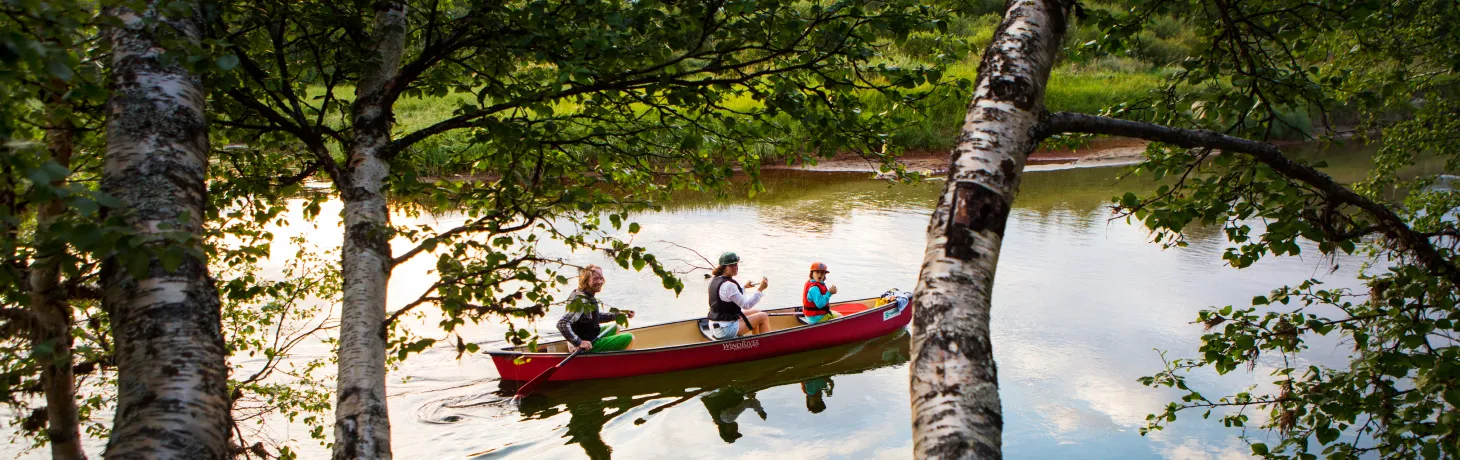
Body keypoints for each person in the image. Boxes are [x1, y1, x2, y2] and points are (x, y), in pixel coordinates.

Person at [556, 265, 635, 352]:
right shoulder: (582, 300)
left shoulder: (585, 294)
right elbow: (562, 323)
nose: (600, 281)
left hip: (587, 336)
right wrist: (578, 343)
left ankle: (605, 356)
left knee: (616, 327)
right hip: (585, 346)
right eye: (595, 279)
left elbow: (593, 317)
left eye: (601, 278)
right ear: (586, 281)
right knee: (630, 338)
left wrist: (618, 315)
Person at [706, 252, 771, 340]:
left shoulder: (714, 281)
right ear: (724, 267)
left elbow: (727, 296)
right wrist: (760, 289)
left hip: (715, 327)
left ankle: (756, 341)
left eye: (736, 264)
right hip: (724, 330)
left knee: (757, 312)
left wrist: (744, 287)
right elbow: (747, 305)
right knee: (763, 316)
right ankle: (766, 345)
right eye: (731, 266)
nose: (735, 267)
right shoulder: (729, 285)